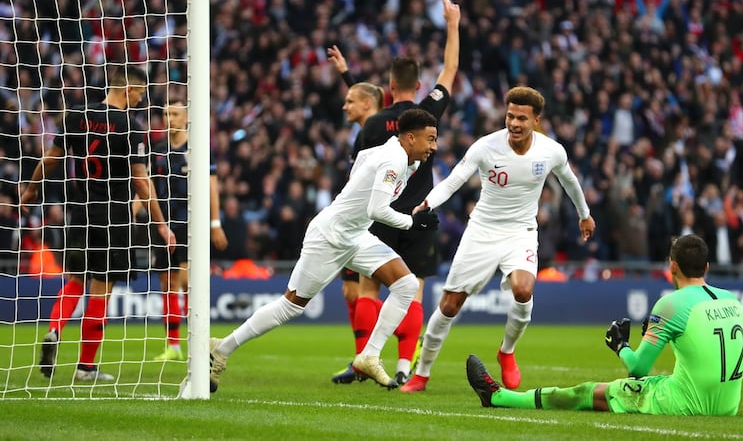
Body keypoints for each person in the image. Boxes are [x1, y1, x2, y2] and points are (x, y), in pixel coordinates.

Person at [208, 109, 440, 392]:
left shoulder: (401, 158)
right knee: (289, 306)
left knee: (405, 284)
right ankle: (221, 349)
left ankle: (369, 355)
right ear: (411, 137)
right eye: (430, 139)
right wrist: (412, 222)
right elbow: (376, 209)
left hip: (355, 236)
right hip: (329, 237)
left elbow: (361, 166)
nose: (434, 147)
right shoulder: (392, 160)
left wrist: (352, 196)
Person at [401, 86, 596, 393]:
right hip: (482, 231)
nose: (514, 123)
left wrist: (584, 213)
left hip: (521, 232)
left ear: (536, 120)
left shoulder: (551, 151)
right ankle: (421, 373)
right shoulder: (486, 147)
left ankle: (506, 351)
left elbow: (569, 180)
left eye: (522, 118)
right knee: (450, 305)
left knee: (523, 289)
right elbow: (455, 178)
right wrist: (429, 202)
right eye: (510, 116)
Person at [466, 234, 743, 416]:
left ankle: (499, 397)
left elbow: (638, 368)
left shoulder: (671, 304)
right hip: (727, 406)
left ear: (672, 266)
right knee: (644, 384)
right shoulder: (733, 300)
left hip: (685, 404)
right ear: (707, 268)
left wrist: (622, 346)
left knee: (590, 392)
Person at [329, 0, 461, 386]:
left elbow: (358, 170)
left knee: (368, 287)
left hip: (378, 214)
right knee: (414, 290)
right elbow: (450, 68)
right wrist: (452, 25)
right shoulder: (427, 115)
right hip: (418, 214)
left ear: (386, 87)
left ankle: (362, 359)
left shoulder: (372, 125)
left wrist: (348, 75)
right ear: (418, 85)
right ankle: (404, 366)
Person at [20, 65, 175, 381]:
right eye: (140, 94)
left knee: (76, 279)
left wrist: (32, 188)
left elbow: (51, 159)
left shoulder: (76, 115)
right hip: (114, 216)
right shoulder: (129, 126)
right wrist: (160, 223)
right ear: (128, 90)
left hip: (81, 210)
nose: (140, 100)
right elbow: (142, 183)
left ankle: (54, 329)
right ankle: (85, 366)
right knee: (102, 290)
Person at [147, 100, 229, 360]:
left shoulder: (197, 148)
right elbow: (148, 185)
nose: (169, 118)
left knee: (186, 282)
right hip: (163, 225)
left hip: (189, 224)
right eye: (165, 114)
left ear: (186, 118)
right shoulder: (158, 150)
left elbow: (211, 187)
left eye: (174, 114)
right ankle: (173, 346)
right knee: (167, 283)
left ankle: (197, 341)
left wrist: (215, 223)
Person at [327, 44, 385, 377]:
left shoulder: (379, 128)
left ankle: (374, 355)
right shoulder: (364, 133)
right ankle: (361, 356)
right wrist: (345, 72)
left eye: (350, 100)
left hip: (373, 218)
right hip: (354, 216)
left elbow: (376, 102)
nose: (344, 104)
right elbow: (370, 97)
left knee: (373, 288)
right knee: (351, 291)